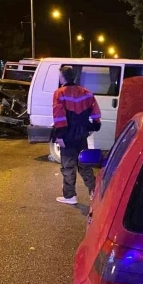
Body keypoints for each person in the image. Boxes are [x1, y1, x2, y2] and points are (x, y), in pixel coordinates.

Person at [51, 66, 101, 205]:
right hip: (82, 134)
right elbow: (95, 111)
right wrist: (94, 126)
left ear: (63, 77)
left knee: (68, 166)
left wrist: (59, 135)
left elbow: (59, 116)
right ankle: (95, 193)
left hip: (67, 135)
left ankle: (70, 196)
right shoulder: (86, 92)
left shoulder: (59, 93)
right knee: (84, 164)